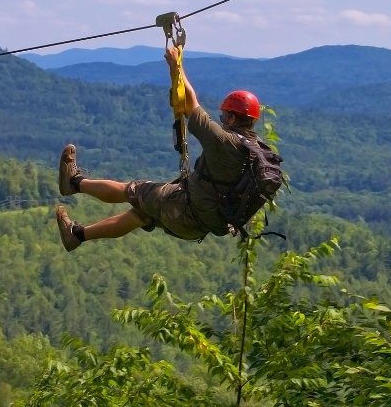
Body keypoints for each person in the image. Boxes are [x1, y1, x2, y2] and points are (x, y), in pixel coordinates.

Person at [54, 45, 263, 252]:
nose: (223, 121)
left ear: (233, 117)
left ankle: (73, 183)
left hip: (183, 209)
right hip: (199, 225)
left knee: (133, 190)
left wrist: (176, 67)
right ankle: (77, 236)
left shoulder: (225, 142)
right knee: (139, 215)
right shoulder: (256, 151)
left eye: (225, 116)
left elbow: (191, 103)